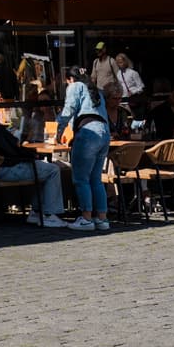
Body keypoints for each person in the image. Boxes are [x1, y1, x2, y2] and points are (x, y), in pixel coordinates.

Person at [0, 93, 67, 229]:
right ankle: (50, 215)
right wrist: (31, 154)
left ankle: (36, 212)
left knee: (41, 169)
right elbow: (12, 149)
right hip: (7, 169)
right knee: (53, 170)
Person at [56, 66, 111, 232]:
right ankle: (102, 219)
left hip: (87, 134)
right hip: (103, 134)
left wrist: (60, 130)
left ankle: (86, 218)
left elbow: (69, 109)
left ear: (69, 79)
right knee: (96, 179)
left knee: (81, 179)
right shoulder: (96, 91)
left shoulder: (75, 86)